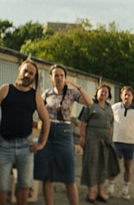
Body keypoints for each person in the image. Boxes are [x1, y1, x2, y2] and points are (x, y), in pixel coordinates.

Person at [34, 64, 93, 205]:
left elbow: (89, 102)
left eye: (61, 75)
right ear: (51, 78)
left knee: (69, 175)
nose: (59, 78)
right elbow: (38, 110)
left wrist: (78, 86)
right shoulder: (46, 93)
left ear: (65, 78)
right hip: (47, 132)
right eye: (56, 75)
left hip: (65, 132)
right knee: (46, 175)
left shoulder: (72, 93)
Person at [0, 60, 50, 205]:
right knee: (2, 186)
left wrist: (41, 143)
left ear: (34, 77)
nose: (27, 75)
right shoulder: (5, 89)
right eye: (25, 71)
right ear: (19, 71)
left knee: (24, 186)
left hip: (26, 147)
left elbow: (46, 121)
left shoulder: (35, 96)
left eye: (31, 73)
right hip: (4, 145)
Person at [79, 84, 120, 204]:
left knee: (103, 165)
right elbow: (82, 121)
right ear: (96, 93)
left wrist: (110, 136)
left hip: (105, 140)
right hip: (92, 139)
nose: (104, 93)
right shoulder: (90, 105)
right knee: (91, 165)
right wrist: (82, 137)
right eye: (102, 91)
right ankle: (90, 194)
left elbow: (111, 123)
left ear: (109, 95)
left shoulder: (109, 107)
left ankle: (100, 193)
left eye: (106, 92)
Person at [107, 86, 134, 200]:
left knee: (128, 166)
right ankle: (110, 189)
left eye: (129, 95)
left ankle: (125, 190)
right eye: (125, 94)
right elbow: (108, 122)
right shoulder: (114, 107)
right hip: (116, 141)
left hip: (130, 142)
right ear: (121, 96)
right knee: (113, 165)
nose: (127, 97)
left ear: (132, 97)